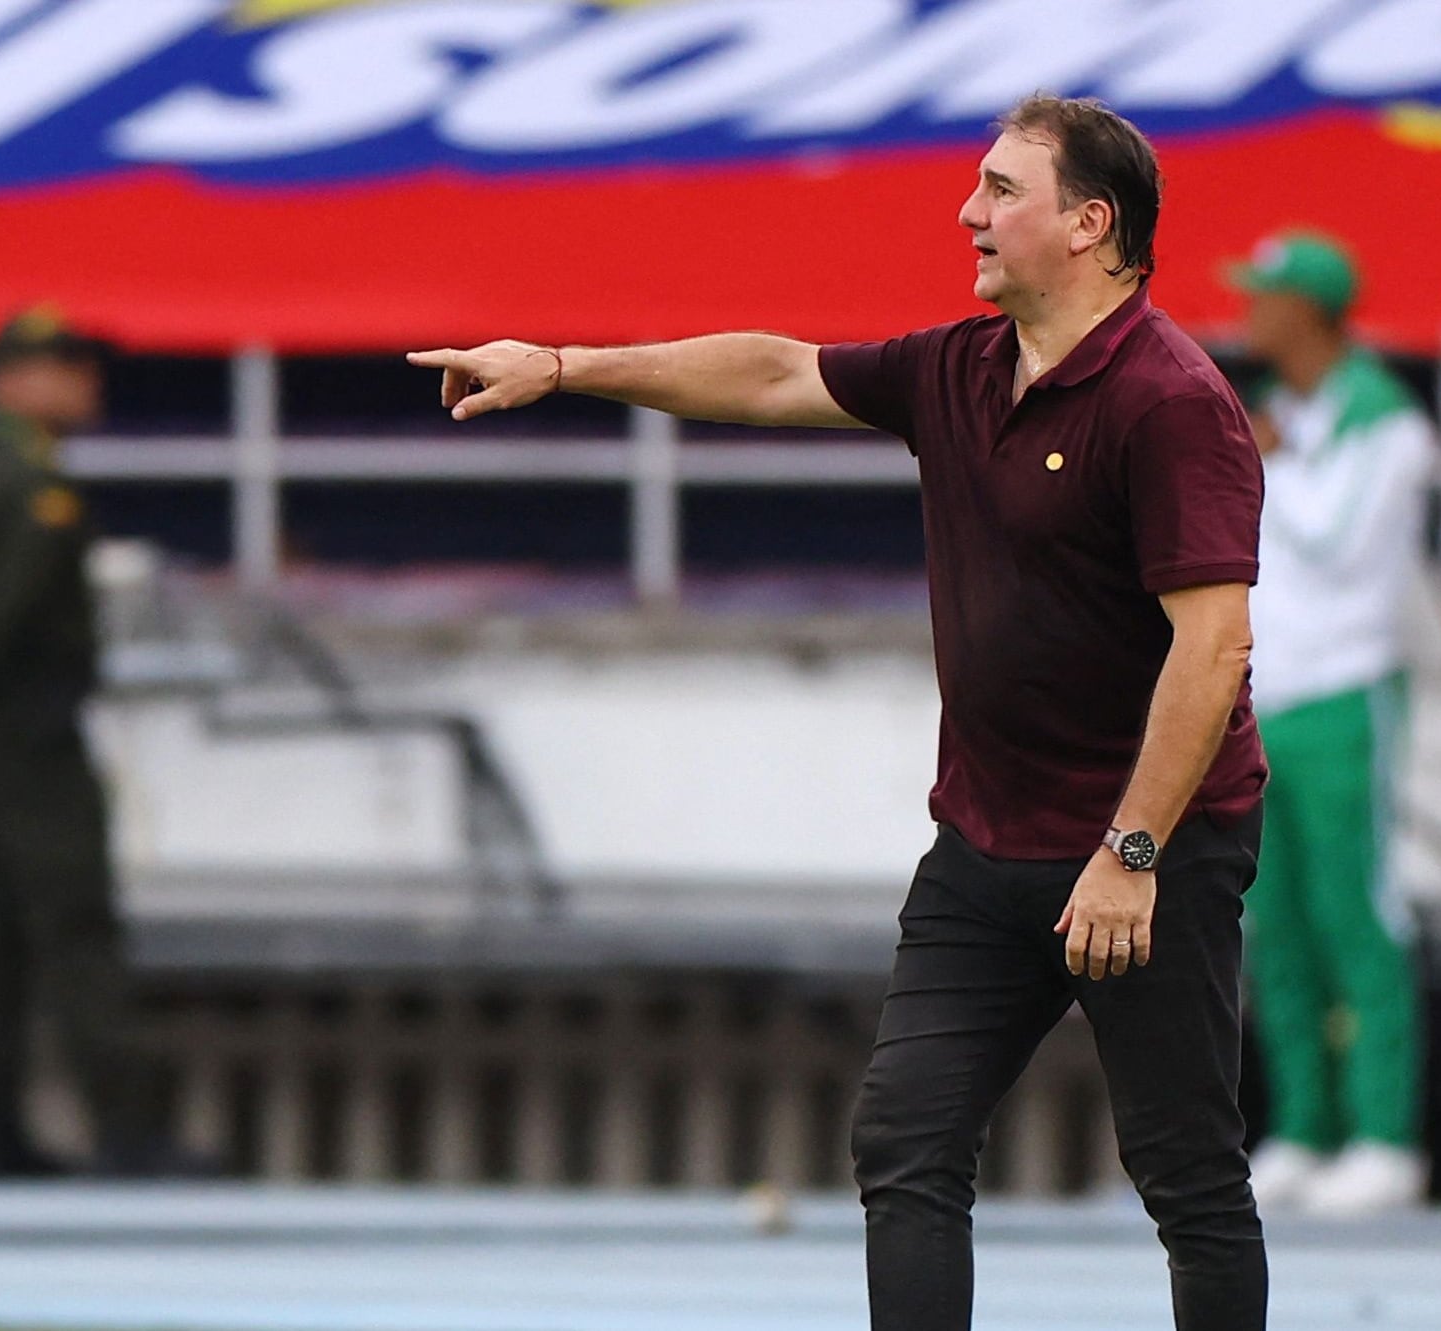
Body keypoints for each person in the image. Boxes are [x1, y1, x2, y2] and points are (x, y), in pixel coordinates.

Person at [411, 93, 1269, 1330]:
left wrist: (1132, 852)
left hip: (1147, 849)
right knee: (905, 1138)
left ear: (1090, 224)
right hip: (987, 843)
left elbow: (1215, 644)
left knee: (1186, 1171)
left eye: (1000, 190)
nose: (968, 212)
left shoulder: (1169, 400)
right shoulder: (962, 368)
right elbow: (771, 370)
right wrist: (563, 363)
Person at [0, 306, 211, 1180]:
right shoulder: (34, 485)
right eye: (66, 367)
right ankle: (124, 1128)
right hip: (24, 727)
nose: (85, 385)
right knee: (75, 925)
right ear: (13, 379)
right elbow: (4, 611)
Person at [1224, 232, 1435, 1217]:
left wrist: (1271, 460)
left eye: (1264, 297)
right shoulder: (1291, 419)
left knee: (1362, 915)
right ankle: (1303, 1125)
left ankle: (1384, 1133)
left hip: (1350, 698)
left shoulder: (1388, 422)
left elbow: (1342, 541)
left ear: (1308, 312)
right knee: (1279, 925)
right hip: (1267, 699)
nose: (1248, 313)